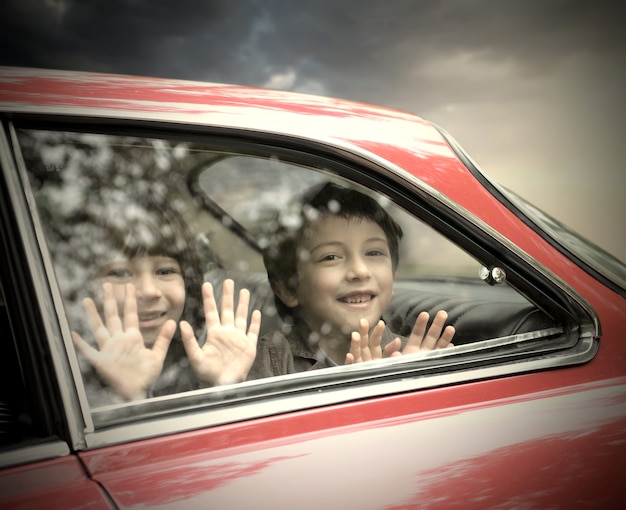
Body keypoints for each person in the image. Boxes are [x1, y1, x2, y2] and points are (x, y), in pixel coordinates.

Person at [247, 181, 455, 379]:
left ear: (393, 276)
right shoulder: (265, 363)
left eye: (374, 253)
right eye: (331, 257)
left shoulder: (416, 359)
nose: (360, 271)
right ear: (288, 289)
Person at [66, 195, 260, 405]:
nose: (149, 291)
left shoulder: (201, 357)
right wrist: (125, 397)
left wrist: (223, 386)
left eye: (165, 270)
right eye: (121, 274)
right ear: (83, 285)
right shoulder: (66, 376)